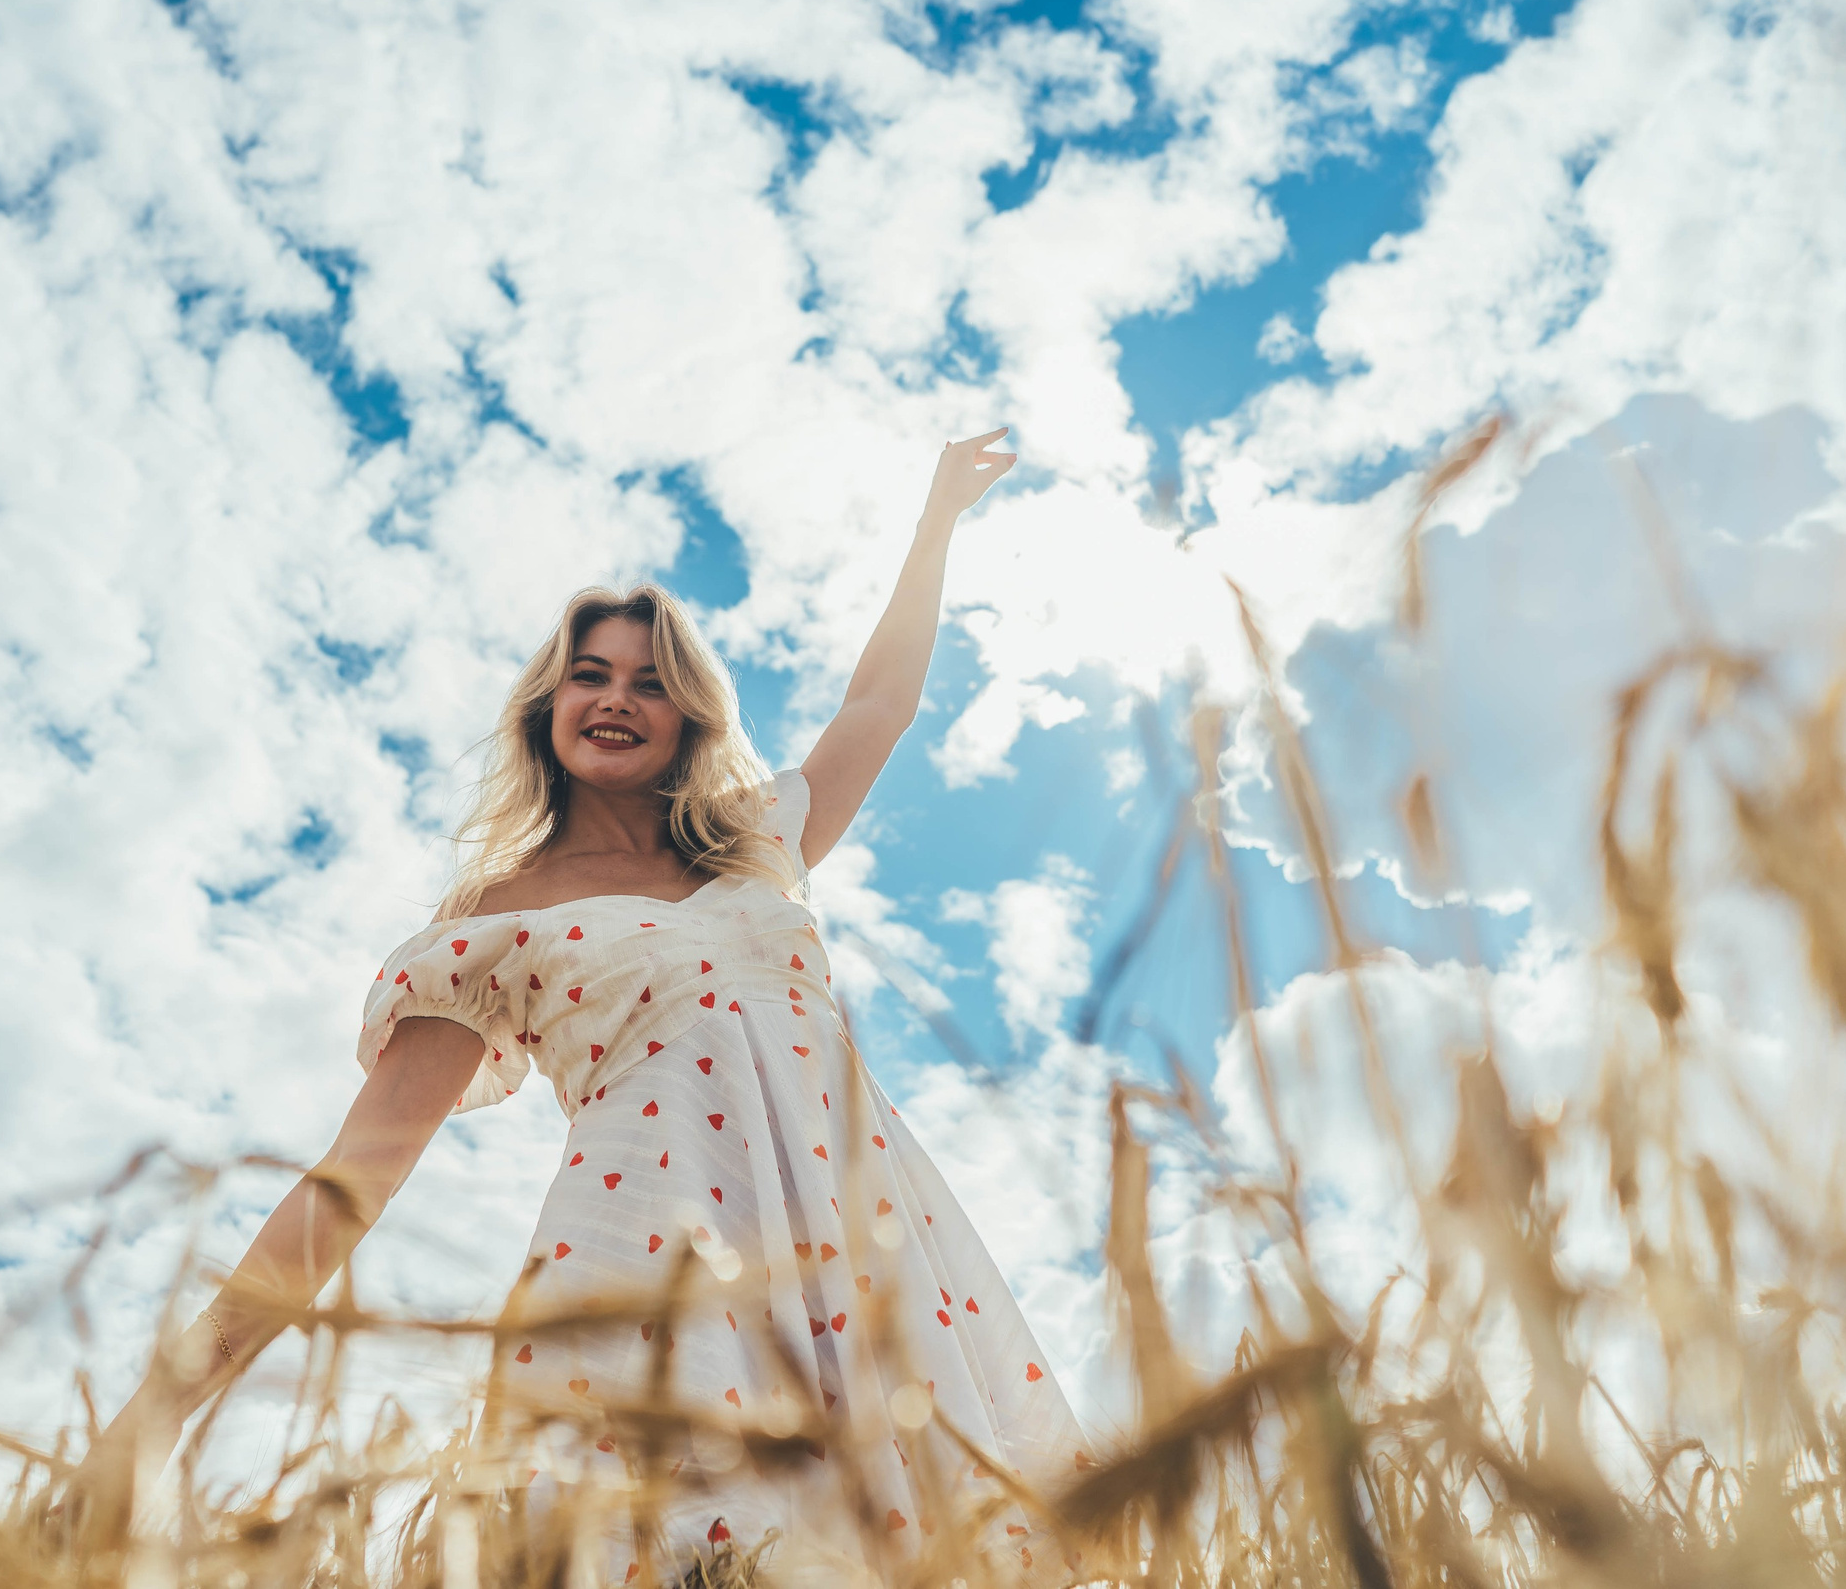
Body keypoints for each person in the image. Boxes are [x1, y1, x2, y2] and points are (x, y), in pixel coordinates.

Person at [66, 431, 1092, 1582]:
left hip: (857, 1254)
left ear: (690, 714)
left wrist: (936, 520)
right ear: (545, 708)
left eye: (651, 679)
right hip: (639, 1274)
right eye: (590, 674)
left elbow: (880, 704)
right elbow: (353, 1180)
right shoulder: (493, 920)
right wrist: (158, 1413)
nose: (617, 698)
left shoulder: (754, 845)